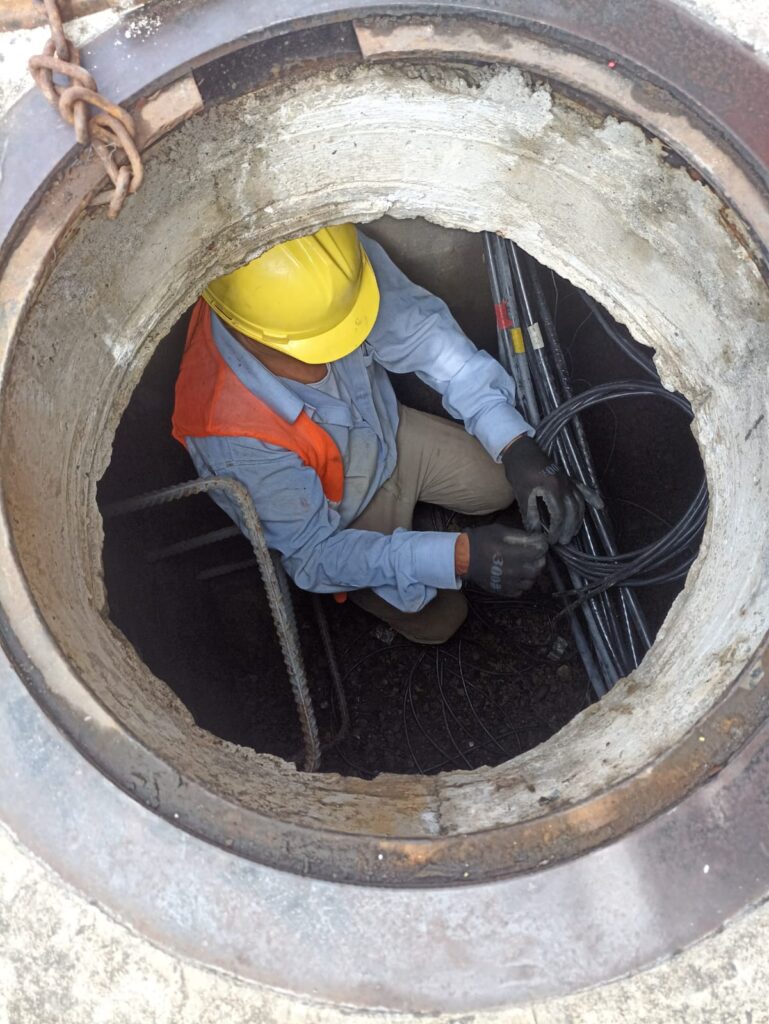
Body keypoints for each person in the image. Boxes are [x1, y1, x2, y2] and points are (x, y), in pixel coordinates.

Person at [172, 224, 597, 644]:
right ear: (255, 336)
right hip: (341, 514)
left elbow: (427, 339)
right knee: (441, 620)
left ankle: (423, 518)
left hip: (389, 433)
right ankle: (403, 552)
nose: (341, 349)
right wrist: (460, 556)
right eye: (323, 343)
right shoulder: (230, 433)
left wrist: (515, 444)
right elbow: (315, 555)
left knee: (500, 485)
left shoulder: (329, 266)